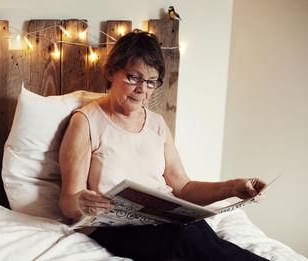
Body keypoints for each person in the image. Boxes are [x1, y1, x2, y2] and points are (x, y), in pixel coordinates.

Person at [59, 30, 268, 261]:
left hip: (165, 221)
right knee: (185, 240)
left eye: (151, 82)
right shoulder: (85, 121)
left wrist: (231, 187)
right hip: (114, 227)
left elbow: (183, 188)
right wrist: (81, 202)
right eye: (134, 78)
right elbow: (67, 201)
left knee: (199, 235)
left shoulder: (157, 123)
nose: (142, 90)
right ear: (110, 72)